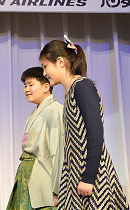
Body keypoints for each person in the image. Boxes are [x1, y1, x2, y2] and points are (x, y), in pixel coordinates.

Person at [40, 35, 129, 209]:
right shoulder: (70, 91)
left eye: (45, 66)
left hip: (91, 176)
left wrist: (88, 177)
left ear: (60, 62)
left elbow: (95, 132)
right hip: (75, 173)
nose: (44, 73)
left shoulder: (82, 86)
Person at [7, 67, 64, 210]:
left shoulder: (55, 110)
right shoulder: (36, 112)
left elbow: (57, 153)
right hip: (28, 176)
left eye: (31, 85)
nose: (26, 89)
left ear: (46, 87)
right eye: (25, 85)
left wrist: (57, 190)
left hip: (43, 180)